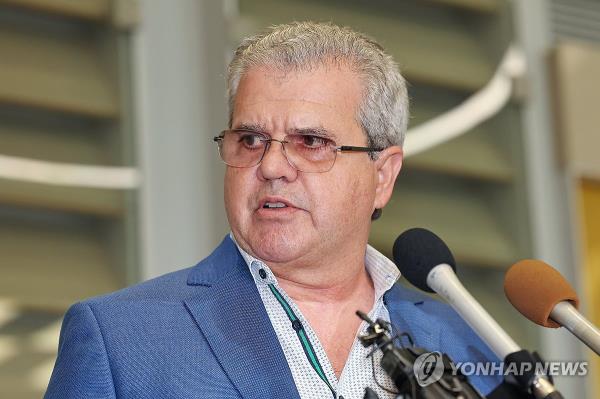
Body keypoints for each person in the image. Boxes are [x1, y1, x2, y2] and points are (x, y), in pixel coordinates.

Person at [45, 22, 501, 399]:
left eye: (311, 142)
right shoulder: (121, 340)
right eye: (250, 140)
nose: (272, 166)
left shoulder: (472, 344)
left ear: (382, 175)